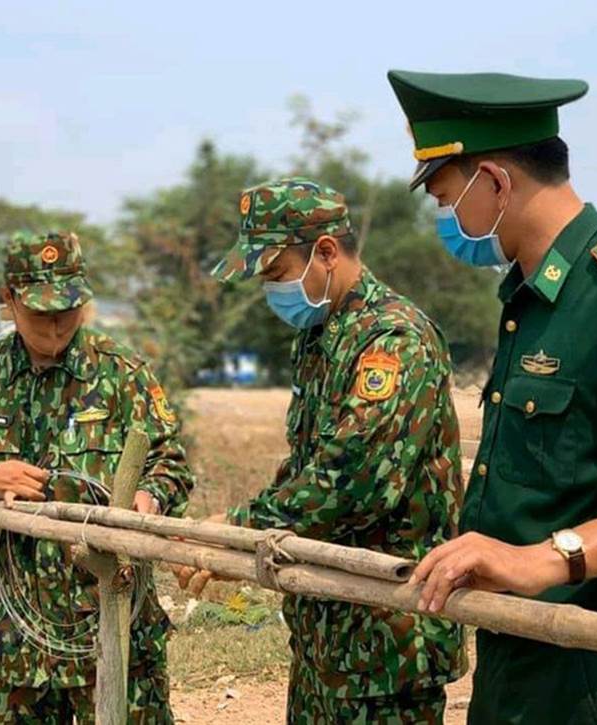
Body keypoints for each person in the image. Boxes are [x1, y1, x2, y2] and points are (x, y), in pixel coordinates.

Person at [387, 69, 597, 724]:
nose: (447, 220)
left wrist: (545, 558)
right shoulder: (531, 301)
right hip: (519, 657)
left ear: (495, 182)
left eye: (447, 198)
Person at [178, 177, 466, 724]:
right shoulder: (320, 336)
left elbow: (353, 481)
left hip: (387, 643)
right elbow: (305, 465)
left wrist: (240, 529)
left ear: (326, 252)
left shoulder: (390, 340)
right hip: (325, 632)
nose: (271, 290)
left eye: (276, 273)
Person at [0, 230, 195, 723]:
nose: (54, 326)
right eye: (40, 312)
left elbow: (171, 460)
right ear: (8, 300)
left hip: (112, 621)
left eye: (67, 311)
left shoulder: (122, 373)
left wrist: (152, 496)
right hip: (16, 637)